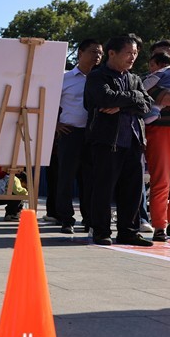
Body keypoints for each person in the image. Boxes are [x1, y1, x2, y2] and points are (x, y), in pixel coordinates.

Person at [84, 36, 153, 246]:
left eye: (135, 54)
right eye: (128, 53)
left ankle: (128, 231)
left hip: (133, 140)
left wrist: (123, 104)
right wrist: (133, 98)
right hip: (107, 141)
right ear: (112, 53)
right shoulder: (97, 76)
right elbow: (105, 99)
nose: (132, 57)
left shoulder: (134, 79)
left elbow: (148, 104)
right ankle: (101, 230)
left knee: (132, 189)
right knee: (104, 187)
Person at [53, 39, 103, 234]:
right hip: (70, 133)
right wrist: (55, 124)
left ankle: (89, 219)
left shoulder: (102, 78)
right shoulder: (64, 78)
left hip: (95, 134)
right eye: (92, 51)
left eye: (100, 52)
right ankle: (66, 219)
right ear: (80, 53)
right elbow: (49, 103)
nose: (97, 56)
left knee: (90, 179)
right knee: (65, 178)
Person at [144, 42, 170, 242]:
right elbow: (159, 97)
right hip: (159, 130)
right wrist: (167, 99)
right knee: (161, 179)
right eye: (159, 55)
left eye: (169, 54)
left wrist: (167, 99)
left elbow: (166, 98)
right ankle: (159, 225)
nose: (165, 58)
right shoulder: (148, 78)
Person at [143, 52, 170, 124]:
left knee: (159, 100)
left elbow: (148, 84)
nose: (150, 69)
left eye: (152, 65)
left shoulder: (161, 71)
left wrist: (140, 91)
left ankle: (153, 113)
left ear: (162, 65)